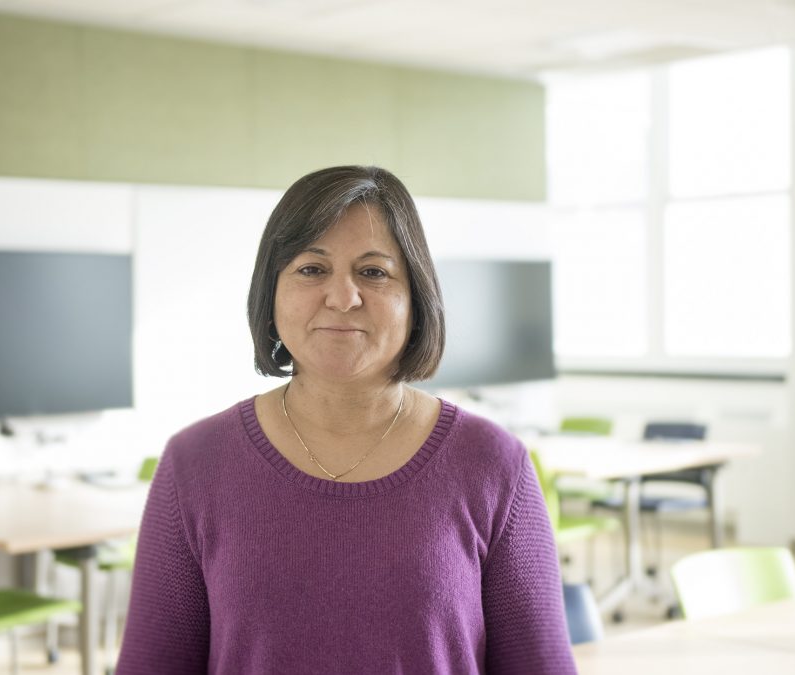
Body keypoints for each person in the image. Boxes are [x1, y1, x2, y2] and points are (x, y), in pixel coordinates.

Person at [116, 166, 578, 674]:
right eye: (311, 269)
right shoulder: (194, 463)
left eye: (374, 272)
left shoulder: (493, 464)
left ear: (415, 299)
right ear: (271, 295)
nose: (343, 297)